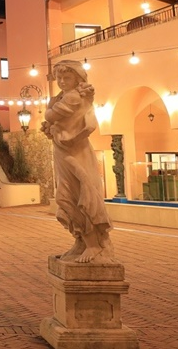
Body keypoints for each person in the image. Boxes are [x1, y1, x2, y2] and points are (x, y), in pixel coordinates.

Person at [41, 60, 113, 263]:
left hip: (74, 151)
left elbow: (50, 114)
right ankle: (82, 240)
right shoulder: (65, 96)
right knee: (68, 197)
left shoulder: (73, 98)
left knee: (79, 194)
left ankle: (94, 245)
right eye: (59, 78)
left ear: (78, 79)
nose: (62, 81)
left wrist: (50, 114)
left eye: (67, 77)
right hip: (64, 150)